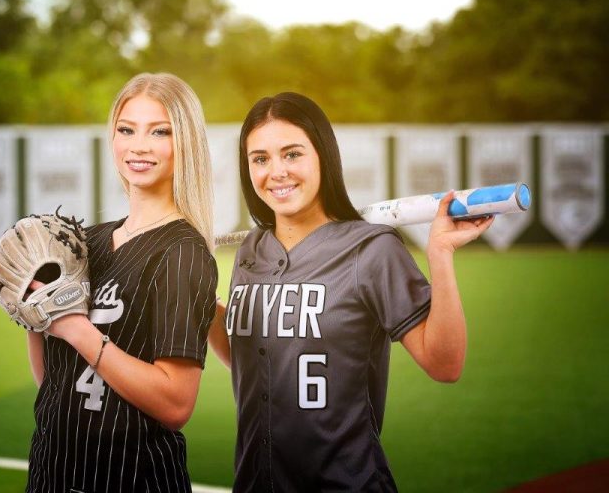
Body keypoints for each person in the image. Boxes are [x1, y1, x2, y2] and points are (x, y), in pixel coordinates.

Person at [208, 92, 494, 492]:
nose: (277, 172)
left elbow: (445, 364)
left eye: (292, 154)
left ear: (323, 155)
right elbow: (251, 361)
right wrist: (200, 296)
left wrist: (440, 252)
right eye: (260, 159)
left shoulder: (373, 249)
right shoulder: (250, 252)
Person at [25, 73, 218, 493]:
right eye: (126, 129)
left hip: (134, 479)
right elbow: (55, 383)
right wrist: (34, 314)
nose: (139, 146)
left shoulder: (183, 253)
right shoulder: (84, 241)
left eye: (160, 131)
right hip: (51, 473)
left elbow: (175, 404)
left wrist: (77, 330)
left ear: (185, 143)